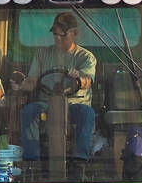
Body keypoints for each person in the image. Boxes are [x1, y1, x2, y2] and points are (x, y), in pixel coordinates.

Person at [13, 12, 105, 167]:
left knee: (87, 113)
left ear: (74, 33)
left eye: (63, 35)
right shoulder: (42, 54)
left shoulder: (86, 57)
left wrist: (78, 79)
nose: (57, 39)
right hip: (47, 105)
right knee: (29, 111)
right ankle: (31, 161)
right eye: (55, 34)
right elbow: (32, 80)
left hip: (74, 104)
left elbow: (87, 80)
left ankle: (80, 160)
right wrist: (19, 87)